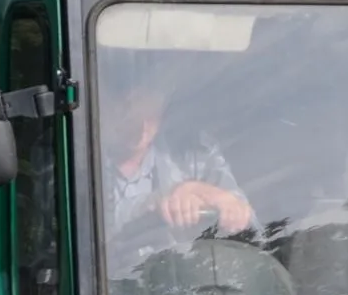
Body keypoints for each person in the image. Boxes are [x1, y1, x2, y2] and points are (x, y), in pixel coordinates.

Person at [101, 82, 253, 239]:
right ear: (104, 104)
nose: (142, 126)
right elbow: (95, 232)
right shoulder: (82, 161)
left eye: (150, 113)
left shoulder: (194, 153)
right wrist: (161, 202)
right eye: (129, 113)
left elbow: (255, 231)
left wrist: (219, 200)